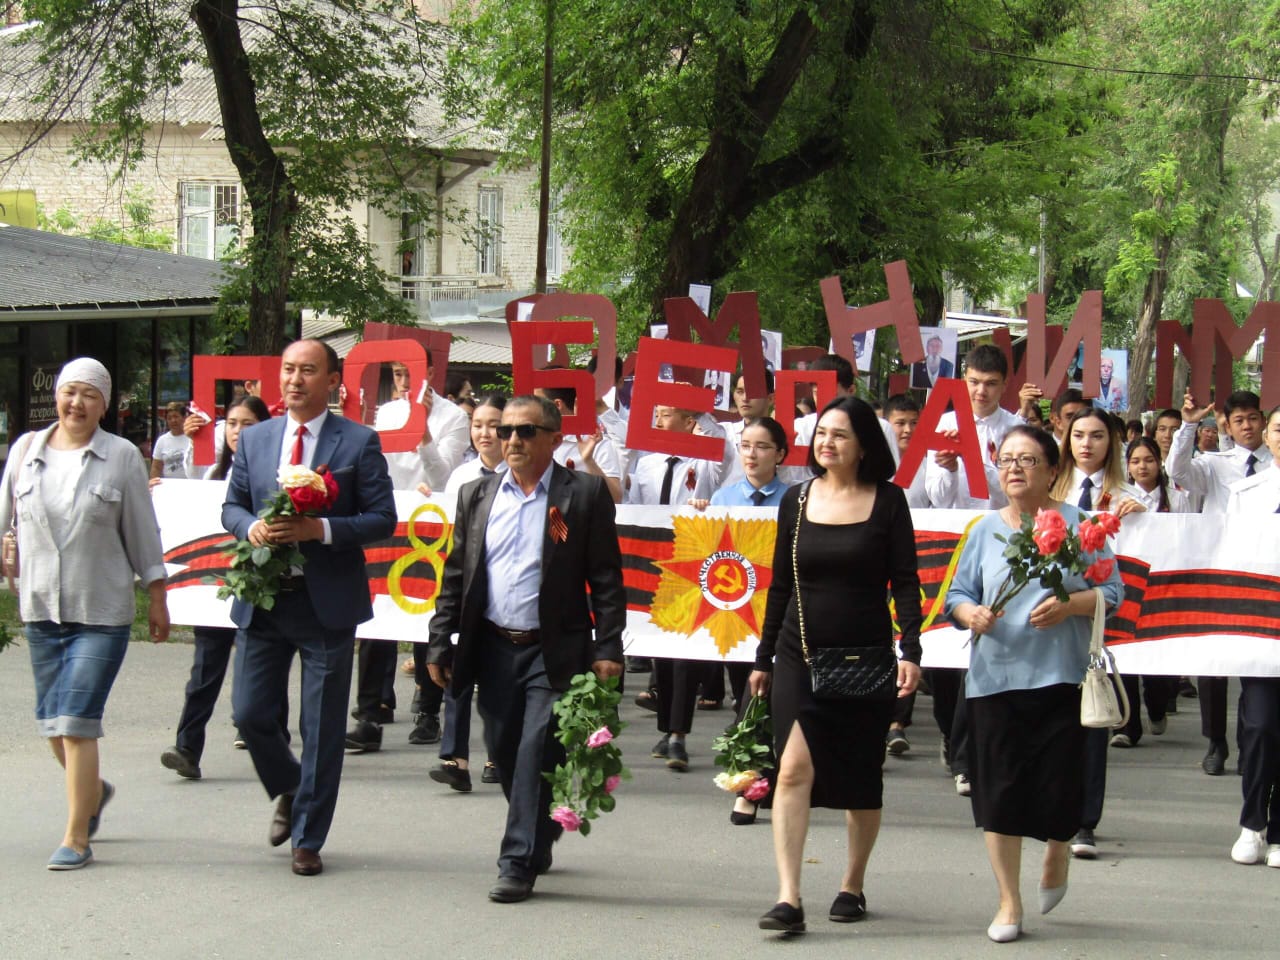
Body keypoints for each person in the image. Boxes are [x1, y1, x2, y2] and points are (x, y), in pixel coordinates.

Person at [425, 395, 627, 903]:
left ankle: (515, 861)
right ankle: (539, 832)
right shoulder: (475, 494)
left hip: (554, 650)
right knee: (506, 751)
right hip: (492, 646)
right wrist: (438, 640)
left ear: (554, 439)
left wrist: (608, 648)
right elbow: (456, 573)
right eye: (507, 430)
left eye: (525, 431)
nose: (512, 439)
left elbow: (605, 578)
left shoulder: (582, 495)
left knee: (539, 744)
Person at [223, 339, 396, 877]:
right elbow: (231, 504)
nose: (295, 380)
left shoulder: (359, 442)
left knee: (321, 727)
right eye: (288, 370)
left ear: (332, 380)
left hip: (326, 605)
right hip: (265, 599)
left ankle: (308, 836)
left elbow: (381, 518)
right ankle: (290, 787)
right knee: (250, 713)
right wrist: (248, 526)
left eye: (308, 371)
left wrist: (318, 529)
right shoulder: (254, 439)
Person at [749, 396, 922, 934]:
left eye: (840, 435)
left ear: (864, 445)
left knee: (860, 778)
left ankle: (851, 883)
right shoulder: (796, 501)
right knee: (793, 768)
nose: (827, 442)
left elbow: (906, 583)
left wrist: (910, 650)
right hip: (798, 653)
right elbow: (781, 583)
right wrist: (763, 657)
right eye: (822, 432)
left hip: (864, 658)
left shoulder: (890, 502)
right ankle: (789, 897)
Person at [946, 425, 1124, 942]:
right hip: (995, 677)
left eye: (1027, 460)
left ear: (1052, 469)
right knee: (998, 793)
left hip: (1062, 677)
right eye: (1006, 460)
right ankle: (1008, 901)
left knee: (1059, 786)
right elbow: (957, 594)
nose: (1015, 469)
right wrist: (969, 613)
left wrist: (1072, 604)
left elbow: (1112, 590)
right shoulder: (983, 530)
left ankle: (1057, 853)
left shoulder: (1082, 526)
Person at [0, 357, 170, 870]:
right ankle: (93, 790)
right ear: (56, 395)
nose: (77, 403)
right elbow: (5, 519)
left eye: (89, 395)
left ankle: (76, 837)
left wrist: (158, 596)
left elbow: (143, 531)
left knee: (75, 723)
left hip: (101, 610)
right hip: (40, 607)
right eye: (69, 392)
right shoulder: (25, 452)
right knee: (53, 724)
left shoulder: (119, 456)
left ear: (105, 404)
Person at [160, 396, 276, 779]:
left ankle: (270, 740)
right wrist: (160, 490)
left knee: (257, 673)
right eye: (231, 423)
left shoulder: (275, 475)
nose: (237, 432)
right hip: (214, 592)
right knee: (203, 673)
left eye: (246, 423)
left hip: (256, 590)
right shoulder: (211, 475)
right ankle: (187, 747)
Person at [1048, 407, 1143, 859]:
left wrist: (1144, 513)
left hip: (1097, 622)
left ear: (1113, 442)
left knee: (1090, 717)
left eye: (1097, 435)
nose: (1086, 443)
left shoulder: (1130, 493)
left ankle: (1085, 821)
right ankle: (1046, 810)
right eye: (1078, 434)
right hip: (1047, 620)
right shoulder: (1049, 490)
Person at [1166, 390, 1271, 776]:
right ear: (1227, 424)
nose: (1247, 426)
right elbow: (1177, 473)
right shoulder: (1213, 464)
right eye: (1239, 420)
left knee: (1255, 665)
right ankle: (1216, 741)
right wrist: (1189, 424)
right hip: (1219, 570)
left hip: (1263, 575)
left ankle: (1250, 741)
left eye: (1254, 418)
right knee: (1213, 663)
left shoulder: (1275, 464)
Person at [426, 394, 510, 791]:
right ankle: (455, 758)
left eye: (493, 424)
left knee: (500, 681)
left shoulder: (528, 473)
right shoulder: (461, 478)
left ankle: (497, 755)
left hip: (509, 595)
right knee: (457, 674)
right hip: (470, 590)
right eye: (477, 424)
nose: (484, 433)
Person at [1224, 405, 1280, 867]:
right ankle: (1252, 822)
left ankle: (1278, 829)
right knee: (1259, 725)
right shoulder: (1245, 492)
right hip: (1261, 628)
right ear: (1269, 434)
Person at [151, 401, 193, 479]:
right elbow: (156, 467)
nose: (173, 420)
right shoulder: (162, 440)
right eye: (169, 418)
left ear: (184, 417)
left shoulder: (192, 438)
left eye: (176, 416)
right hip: (169, 486)